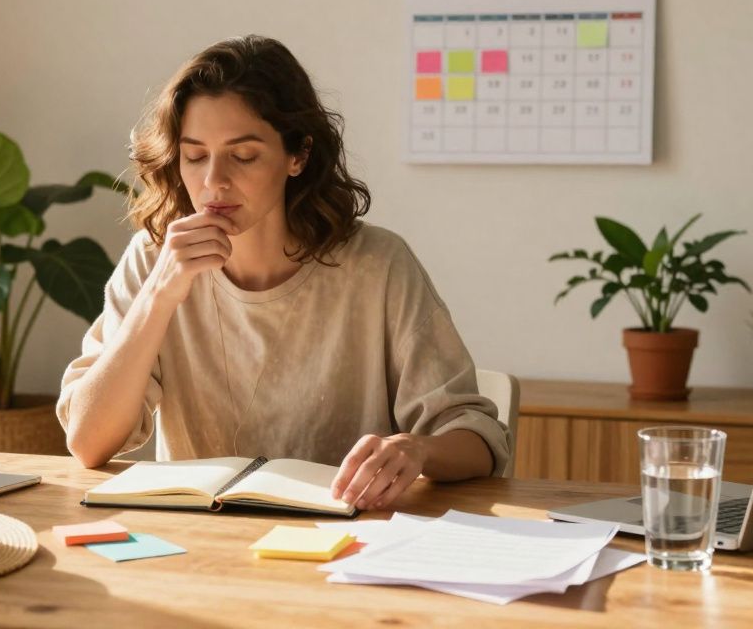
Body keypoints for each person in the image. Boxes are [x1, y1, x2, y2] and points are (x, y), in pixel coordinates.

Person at [56, 35, 510, 511]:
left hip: (345, 544)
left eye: (244, 155)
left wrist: (418, 450)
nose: (213, 181)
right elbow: (88, 443)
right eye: (194, 156)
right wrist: (159, 296)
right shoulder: (154, 260)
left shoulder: (378, 266)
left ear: (299, 155)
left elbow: (478, 439)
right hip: (196, 547)